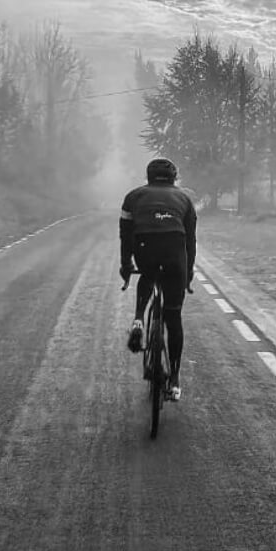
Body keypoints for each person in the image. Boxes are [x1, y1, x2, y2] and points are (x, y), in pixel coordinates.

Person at [119, 157, 197, 401]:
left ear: (148, 176)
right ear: (173, 177)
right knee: (173, 317)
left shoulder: (133, 196)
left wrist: (126, 266)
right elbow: (190, 242)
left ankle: (139, 320)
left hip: (144, 247)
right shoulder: (184, 199)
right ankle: (173, 380)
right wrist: (188, 273)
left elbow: (125, 235)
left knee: (148, 275)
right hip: (175, 252)